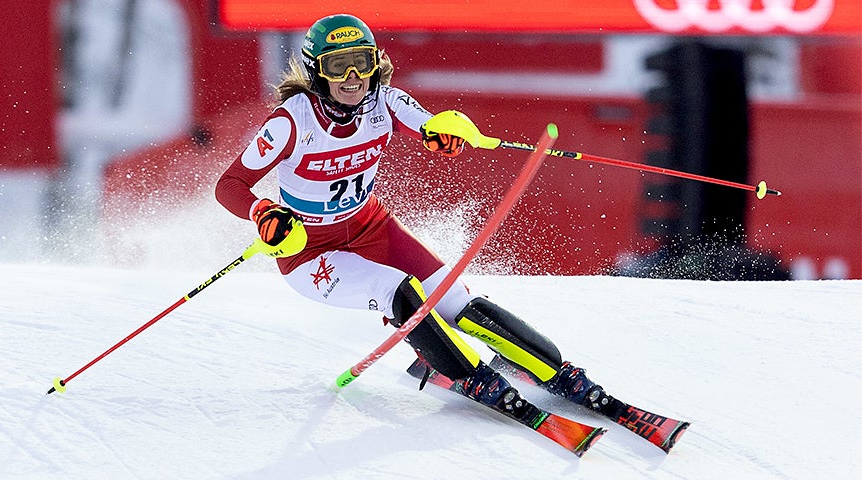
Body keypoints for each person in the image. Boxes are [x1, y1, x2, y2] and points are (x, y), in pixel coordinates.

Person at [215, 14, 612, 417]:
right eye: (338, 66)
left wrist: (444, 134)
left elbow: (429, 125)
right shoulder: (291, 121)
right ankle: (473, 377)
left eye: (361, 62)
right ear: (318, 71)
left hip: (372, 227)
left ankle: (556, 371)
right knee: (398, 291)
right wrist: (262, 211)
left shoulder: (385, 102)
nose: (353, 77)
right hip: (310, 252)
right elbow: (229, 185)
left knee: (454, 300)